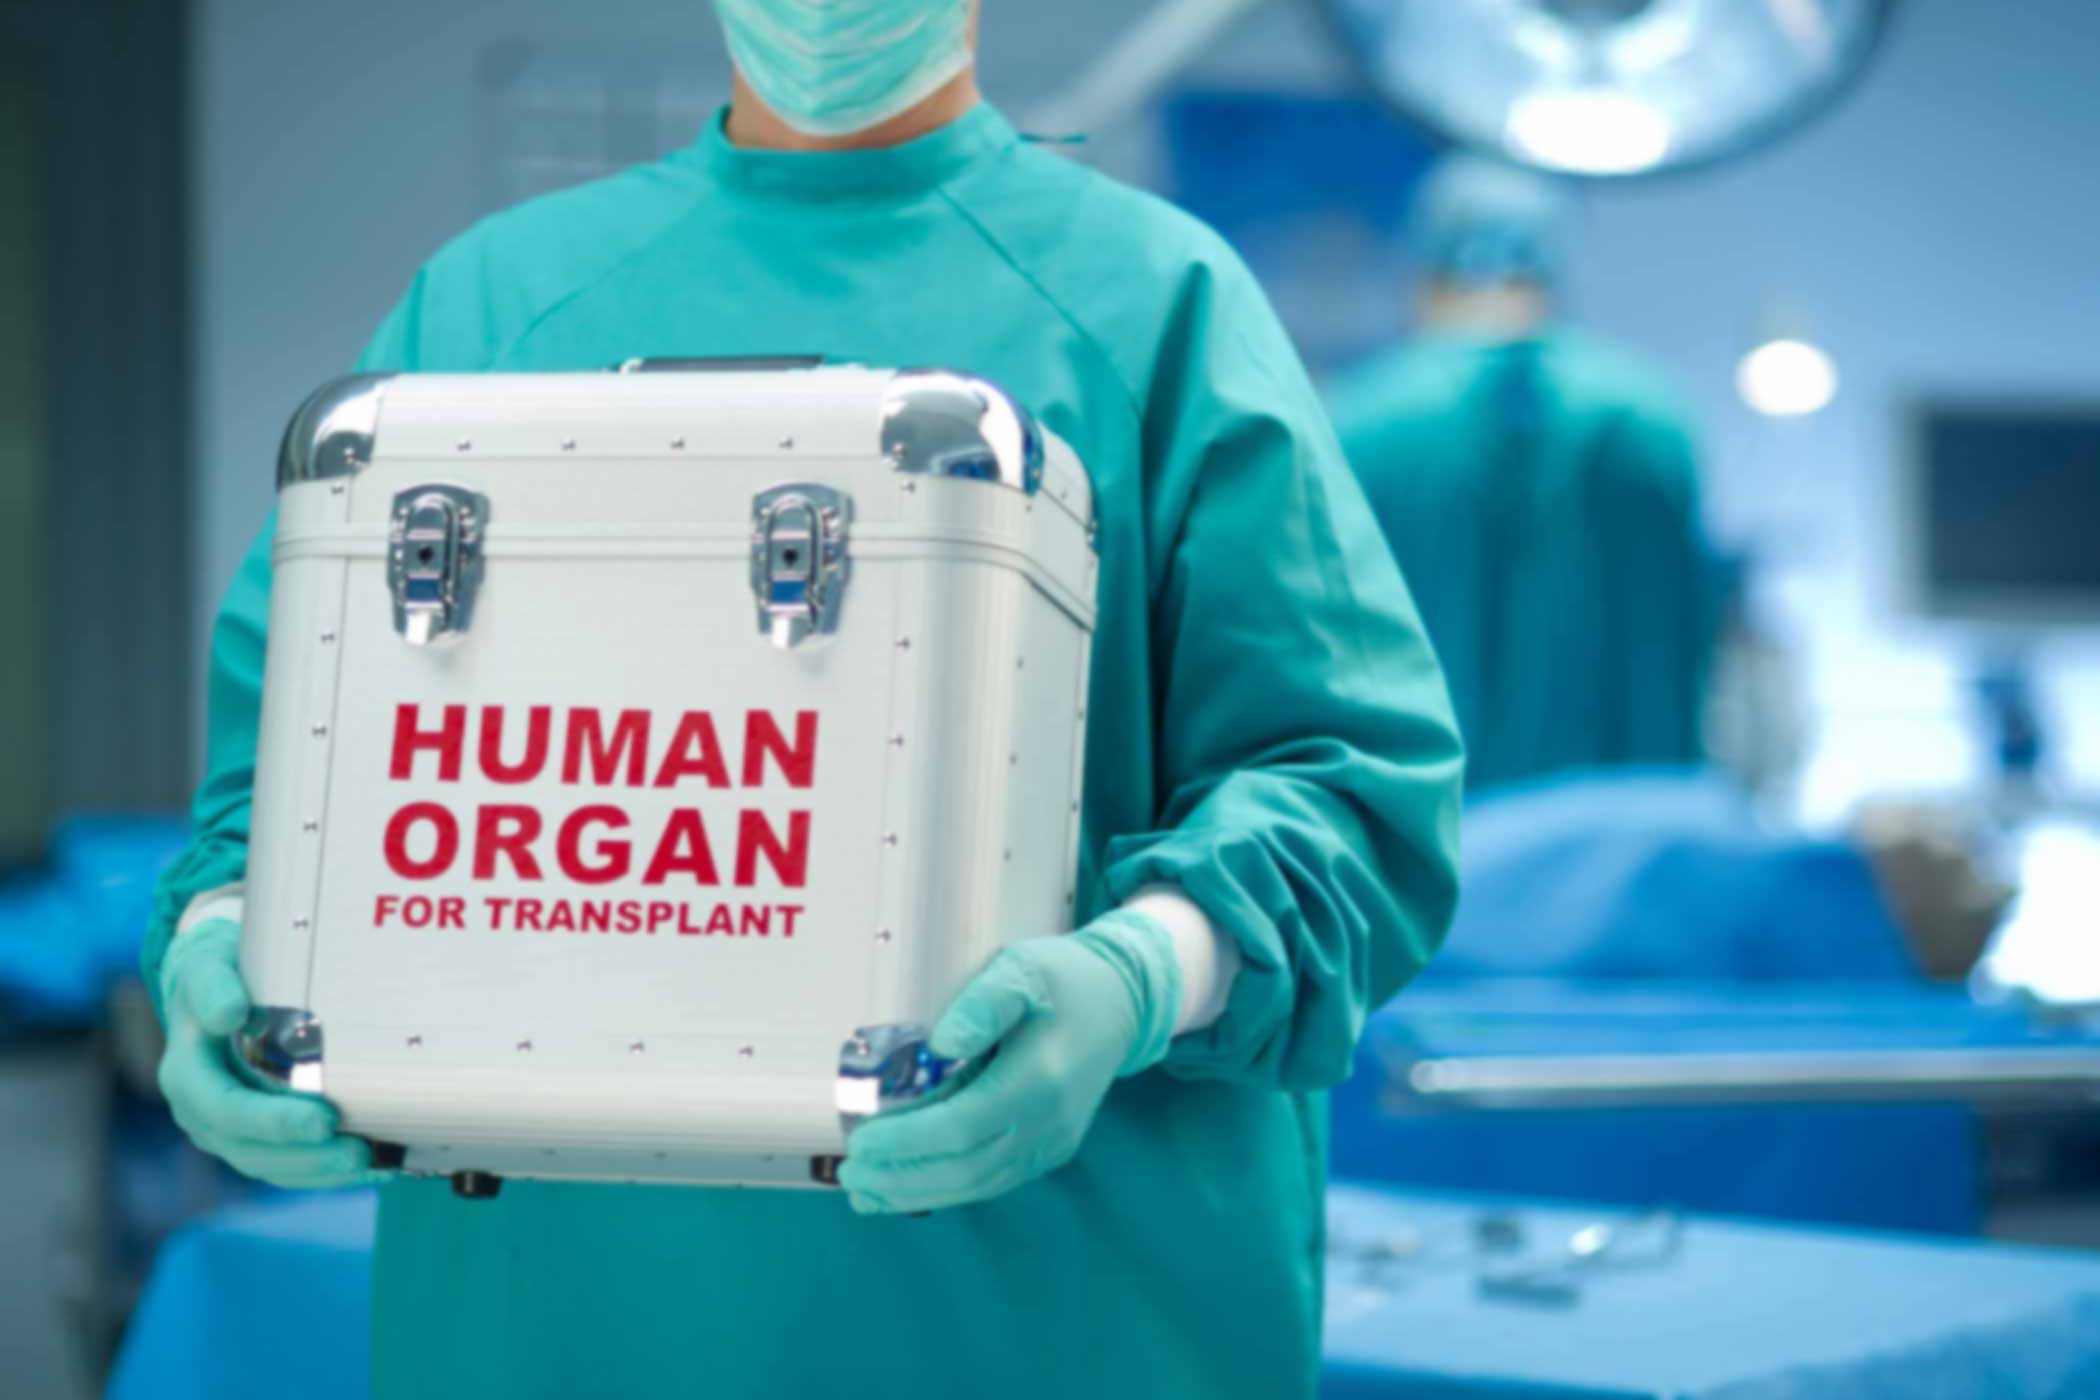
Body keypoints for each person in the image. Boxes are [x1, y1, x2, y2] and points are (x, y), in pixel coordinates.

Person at [144, 3, 1464, 1396]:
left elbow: (1353, 793)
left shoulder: (1152, 303)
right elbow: (288, 773)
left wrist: (1137, 980)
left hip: (1049, 1326)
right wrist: (226, 947)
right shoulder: (490, 308)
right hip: (565, 1329)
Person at [1328, 154, 1713, 794]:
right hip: (1626, 861)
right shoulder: (1649, 421)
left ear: (1423, 276)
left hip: (1422, 868)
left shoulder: (1361, 426)